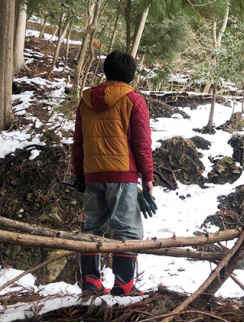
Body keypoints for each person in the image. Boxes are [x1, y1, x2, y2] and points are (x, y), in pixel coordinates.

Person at [72, 50, 155, 296]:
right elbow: (142, 143)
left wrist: (79, 173)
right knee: (128, 231)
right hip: (121, 174)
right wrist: (148, 177)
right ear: (130, 74)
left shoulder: (85, 100)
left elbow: (78, 141)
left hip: (92, 174)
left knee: (92, 228)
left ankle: (90, 283)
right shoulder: (133, 99)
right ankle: (124, 286)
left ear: (106, 70)